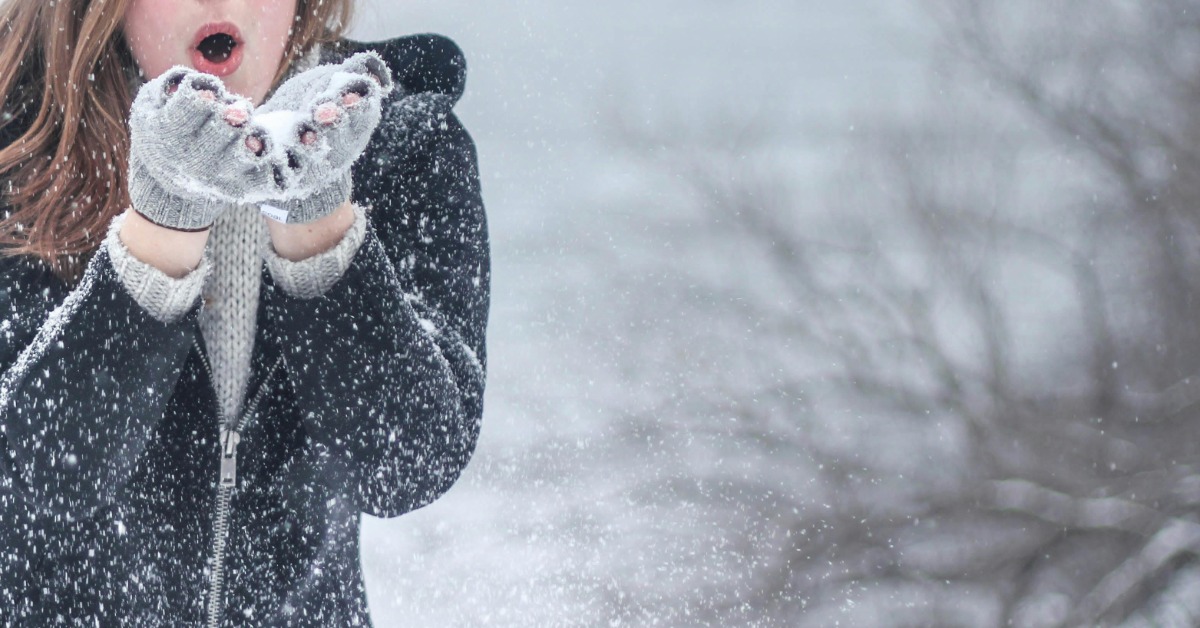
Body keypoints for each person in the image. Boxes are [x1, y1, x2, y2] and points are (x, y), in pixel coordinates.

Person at [0, 0, 489, 624]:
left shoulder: (401, 144)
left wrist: (317, 217)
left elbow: (407, 466)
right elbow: (43, 472)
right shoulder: (19, 150)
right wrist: (163, 225)